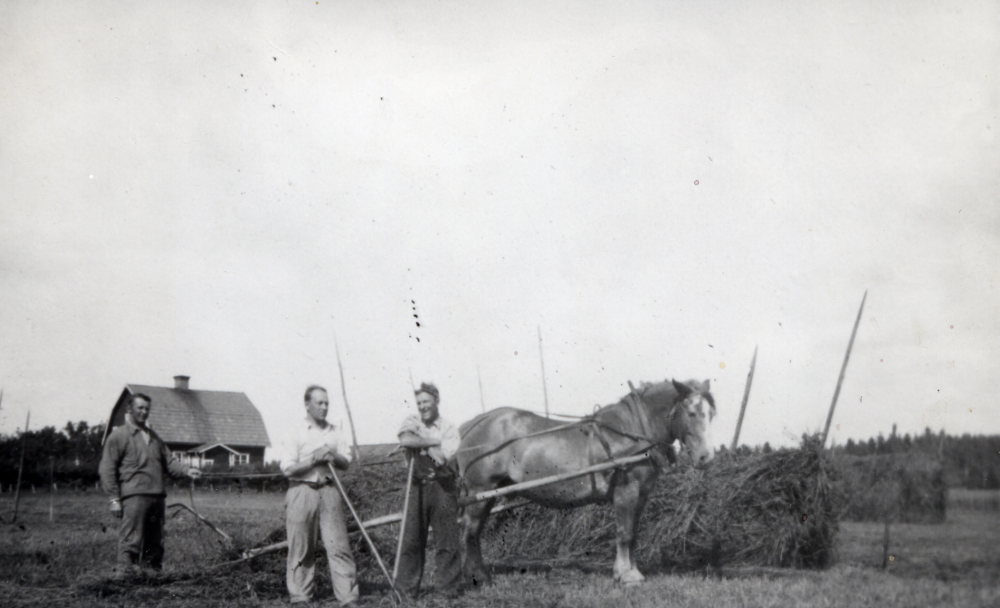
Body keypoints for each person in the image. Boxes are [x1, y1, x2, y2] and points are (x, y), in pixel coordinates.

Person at [99, 392, 202, 575]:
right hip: (134, 497)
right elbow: (107, 469)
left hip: (157, 496)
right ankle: (124, 579)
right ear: (130, 409)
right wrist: (114, 499)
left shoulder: (154, 437)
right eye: (140, 408)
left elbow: (169, 462)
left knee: (155, 542)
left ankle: (152, 578)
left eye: (147, 409)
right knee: (131, 540)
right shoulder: (118, 436)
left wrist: (187, 470)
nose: (144, 412)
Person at [276, 385, 358, 606]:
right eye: (319, 403)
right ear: (307, 405)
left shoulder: (334, 431)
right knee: (301, 548)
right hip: (302, 492)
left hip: (329, 491)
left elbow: (346, 462)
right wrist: (314, 459)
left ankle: (348, 596)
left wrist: (331, 456)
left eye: (326, 403)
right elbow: (287, 469)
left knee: (339, 546)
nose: (324, 407)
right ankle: (300, 596)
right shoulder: (296, 431)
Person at [396, 382, 464, 599]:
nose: (422, 407)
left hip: (442, 485)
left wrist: (421, 443)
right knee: (411, 540)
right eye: (418, 403)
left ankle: (448, 590)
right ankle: (405, 593)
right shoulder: (411, 421)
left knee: (447, 540)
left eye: (426, 401)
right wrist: (432, 442)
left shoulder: (449, 429)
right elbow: (405, 439)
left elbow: (442, 458)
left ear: (436, 401)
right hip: (416, 485)